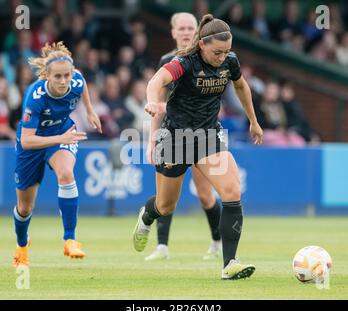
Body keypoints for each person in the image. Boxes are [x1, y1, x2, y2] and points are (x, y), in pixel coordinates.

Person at [133, 14, 263, 280]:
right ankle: (147, 215)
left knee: (231, 190)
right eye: (217, 52)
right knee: (165, 206)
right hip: (175, 138)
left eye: (226, 51)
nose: (222, 57)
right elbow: (155, 82)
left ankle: (229, 264)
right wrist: (151, 102)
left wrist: (253, 120)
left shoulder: (230, 61)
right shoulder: (183, 63)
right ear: (202, 44)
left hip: (208, 137)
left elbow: (241, 85)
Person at [12, 42, 102, 267]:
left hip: (62, 132)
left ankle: (70, 239)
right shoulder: (35, 96)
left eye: (67, 76)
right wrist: (59, 140)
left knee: (66, 174)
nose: (64, 81)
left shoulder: (77, 80)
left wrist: (90, 111)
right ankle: (22, 245)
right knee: (24, 208)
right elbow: (27, 140)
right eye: (58, 77)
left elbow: (82, 85)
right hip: (33, 143)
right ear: (47, 76)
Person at [145, 12, 223, 261]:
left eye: (191, 27)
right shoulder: (168, 60)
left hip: (203, 133)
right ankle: (162, 247)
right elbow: (157, 104)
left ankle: (217, 241)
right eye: (182, 28)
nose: (187, 32)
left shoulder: (209, 59)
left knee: (204, 193)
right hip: (173, 134)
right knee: (166, 194)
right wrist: (152, 140)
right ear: (173, 32)